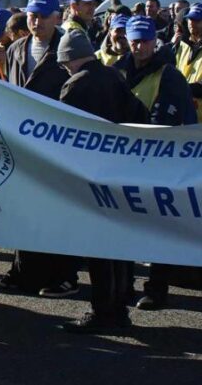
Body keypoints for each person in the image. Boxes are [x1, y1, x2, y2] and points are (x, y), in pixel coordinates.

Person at [54, 30, 146, 333]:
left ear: (70, 60)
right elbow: (139, 115)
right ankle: (119, 306)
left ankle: (103, 310)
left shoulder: (75, 85)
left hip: (91, 175)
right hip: (121, 170)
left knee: (97, 246)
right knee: (119, 244)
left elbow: (64, 132)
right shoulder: (116, 76)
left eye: (65, 64)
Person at [115, 16, 198, 311]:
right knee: (122, 225)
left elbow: (171, 120)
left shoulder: (169, 75)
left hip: (159, 160)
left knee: (157, 226)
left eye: (145, 40)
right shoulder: (117, 70)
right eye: (135, 40)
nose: (139, 46)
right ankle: (123, 286)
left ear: (154, 41)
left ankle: (156, 288)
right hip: (124, 159)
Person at [2, 0, 81, 298]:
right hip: (22, 141)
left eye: (43, 16)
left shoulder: (67, 46)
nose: (36, 21)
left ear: (56, 17)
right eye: (32, 16)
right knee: (24, 208)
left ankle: (65, 274)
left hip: (56, 141)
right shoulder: (17, 48)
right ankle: (24, 270)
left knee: (58, 209)